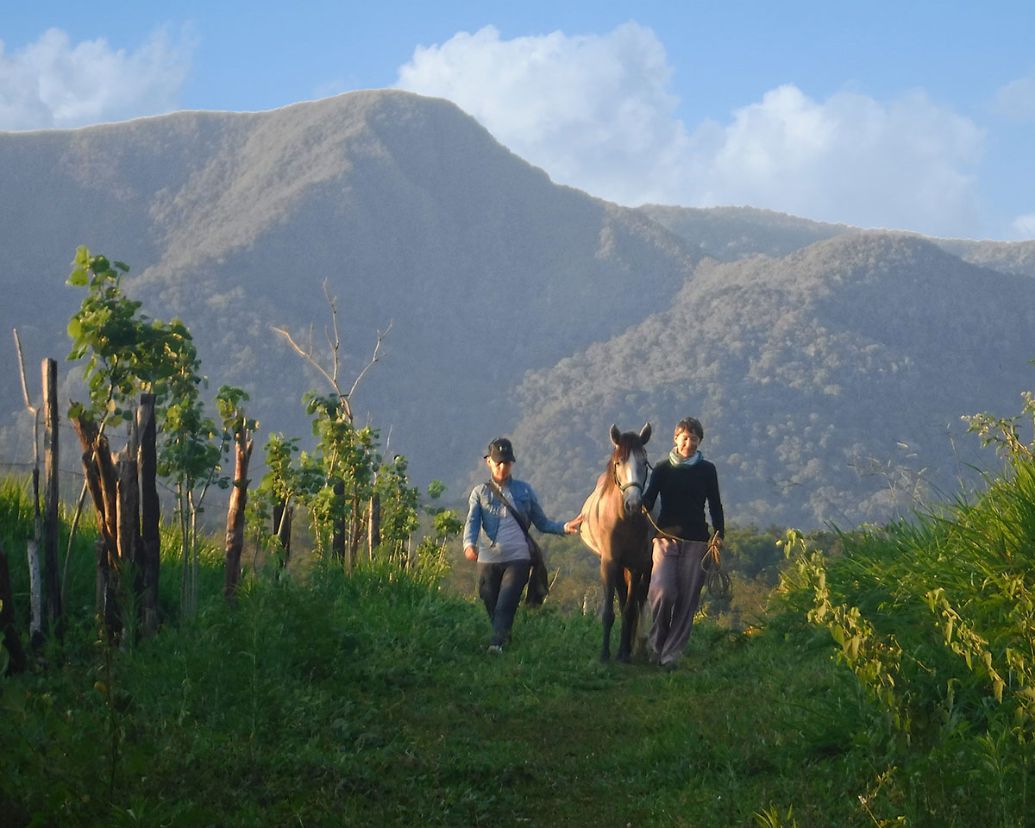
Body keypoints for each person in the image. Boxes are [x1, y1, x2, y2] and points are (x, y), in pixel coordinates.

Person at [463, 437, 583, 653]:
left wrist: (564, 526)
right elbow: (472, 521)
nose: (502, 467)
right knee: (490, 599)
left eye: (507, 463)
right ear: (488, 462)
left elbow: (542, 522)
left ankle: (495, 644)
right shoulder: (480, 492)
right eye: (498, 462)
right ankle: (503, 637)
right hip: (488, 559)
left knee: (506, 602)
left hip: (518, 558)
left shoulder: (524, 490)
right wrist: (468, 544)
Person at [642, 417, 725, 669]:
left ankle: (671, 654)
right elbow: (648, 499)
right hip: (665, 540)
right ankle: (656, 645)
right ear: (676, 438)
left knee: (687, 601)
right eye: (685, 438)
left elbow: (714, 503)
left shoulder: (707, 470)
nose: (689, 443)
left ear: (700, 442)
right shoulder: (662, 468)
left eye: (694, 439)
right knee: (663, 591)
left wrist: (719, 533)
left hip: (697, 542)